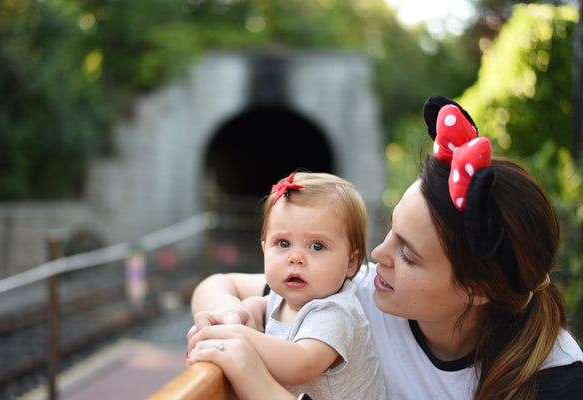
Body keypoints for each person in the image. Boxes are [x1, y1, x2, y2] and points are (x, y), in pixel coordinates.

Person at [187, 96, 583, 400]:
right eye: (390, 231)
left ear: (478, 289)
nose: (378, 255)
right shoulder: (360, 292)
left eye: (408, 254)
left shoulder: (553, 380)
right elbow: (219, 284)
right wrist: (231, 317)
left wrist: (257, 378)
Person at [187, 172, 387, 400]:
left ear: (351, 262)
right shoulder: (280, 299)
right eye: (283, 243)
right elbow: (257, 307)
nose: (296, 257)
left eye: (317, 246)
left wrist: (237, 335)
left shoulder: (335, 311)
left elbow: (300, 363)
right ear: (264, 250)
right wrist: (235, 316)